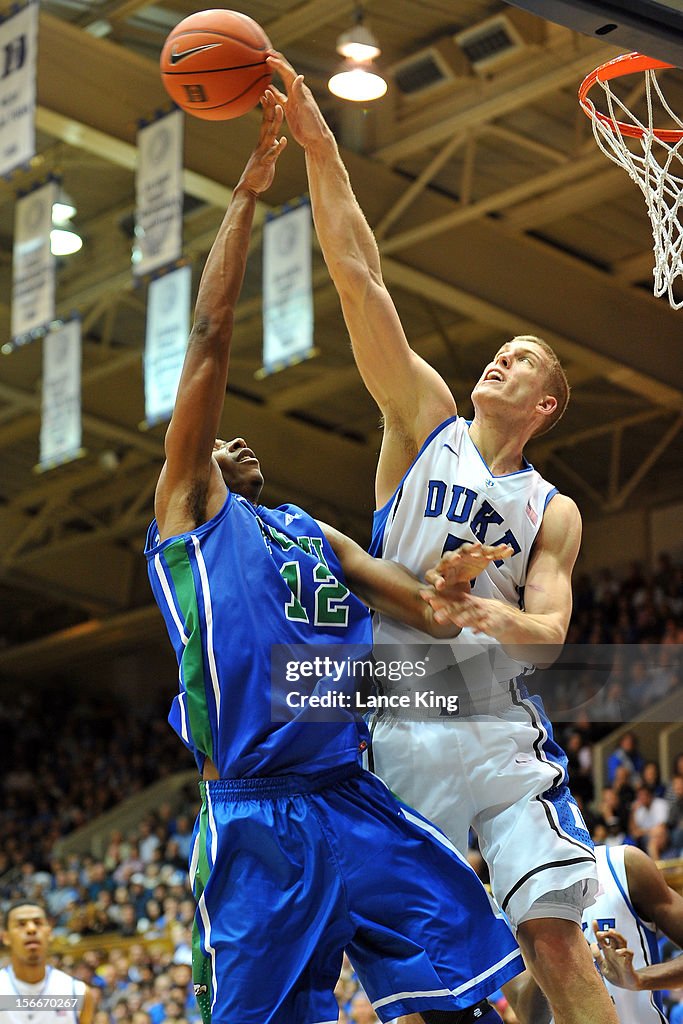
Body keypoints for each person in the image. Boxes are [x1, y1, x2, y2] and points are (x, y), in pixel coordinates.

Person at [143, 92, 523, 1024]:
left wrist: (456, 584)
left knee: (470, 988)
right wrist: (245, 195)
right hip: (256, 815)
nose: (237, 444)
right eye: (218, 442)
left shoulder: (315, 534)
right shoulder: (190, 518)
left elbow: (428, 610)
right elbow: (207, 343)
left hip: (354, 797)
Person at [267, 52, 619, 1024]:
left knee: (552, 938)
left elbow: (545, 632)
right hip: (394, 708)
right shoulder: (420, 419)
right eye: (498, 351)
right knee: (422, 984)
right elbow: (356, 276)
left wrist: (476, 614)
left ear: (542, 404)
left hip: (494, 720)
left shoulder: (551, 507)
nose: (500, 358)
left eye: (522, 360)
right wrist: (318, 145)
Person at [519, 843, 683, 1023]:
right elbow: (529, 1017)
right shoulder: (516, 894)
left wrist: (639, 979)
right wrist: (553, 957)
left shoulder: (623, 864)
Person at [0, 901, 95, 1023]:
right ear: (6, 937)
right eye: (21, 924)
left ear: (50, 933)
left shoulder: (78, 992)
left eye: (38, 923)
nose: (31, 929)